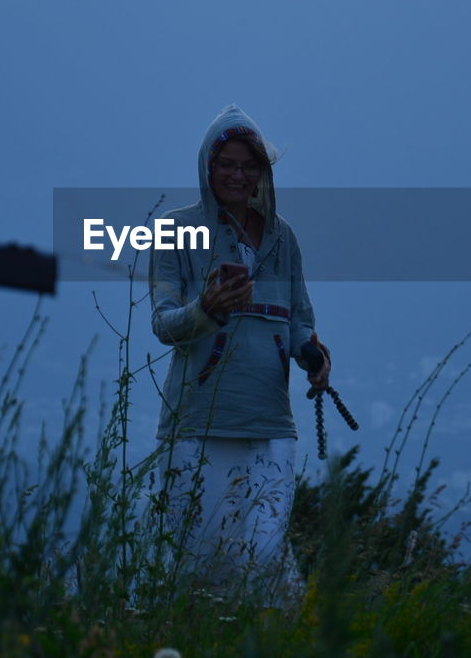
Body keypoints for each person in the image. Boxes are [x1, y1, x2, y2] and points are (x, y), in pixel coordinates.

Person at [148, 104, 330, 604]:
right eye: (226, 163)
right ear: (208, 168)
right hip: (198, 423)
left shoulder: (282, 236)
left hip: (270, 425)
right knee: (195, 569)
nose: (237, 174)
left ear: (263, 173)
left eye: (249, 165)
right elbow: (163, 325)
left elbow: (299, 318)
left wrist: (313, 356)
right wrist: (205, 309)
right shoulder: (174, 231)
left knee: (265, 570)